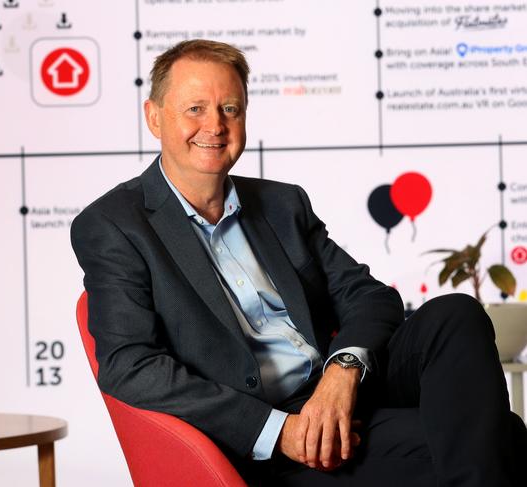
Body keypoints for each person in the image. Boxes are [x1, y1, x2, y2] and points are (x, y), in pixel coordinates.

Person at [71, 39, 526, 486]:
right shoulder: (114, 225)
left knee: (454, 315)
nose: (215, 125)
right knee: (501, 439)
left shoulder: (281, 204)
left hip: (344, 393)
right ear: (154, 117)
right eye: (195, 109)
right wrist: (277, 430)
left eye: (230, 109)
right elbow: (129, 365)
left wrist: (342, 370)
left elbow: (368, 297)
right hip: (269, 442)